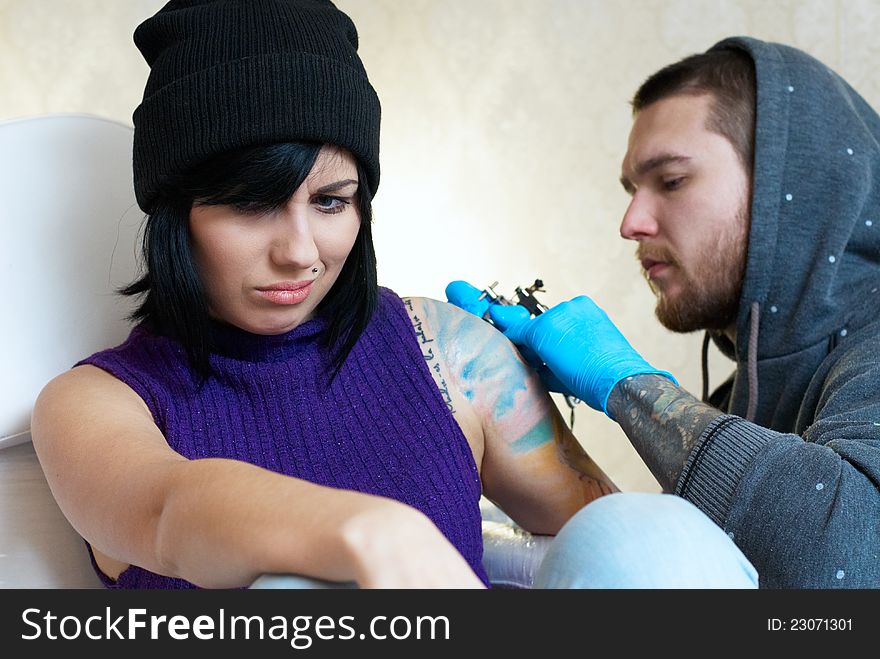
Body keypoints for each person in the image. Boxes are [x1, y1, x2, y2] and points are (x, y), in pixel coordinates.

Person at [449, 36, 880, 589]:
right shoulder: (740, 399)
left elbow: (850, 561)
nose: (631, 222)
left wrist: (630, 386)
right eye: (632, 189)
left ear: (787, 185)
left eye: (671, 181)